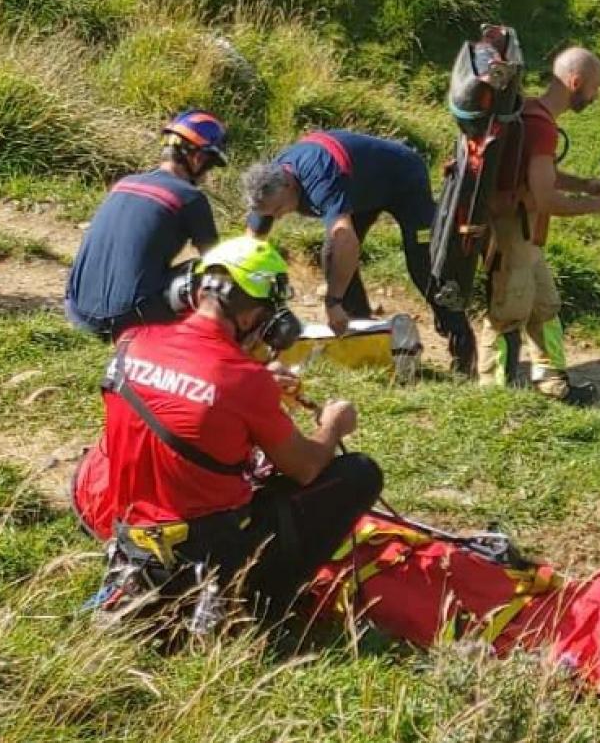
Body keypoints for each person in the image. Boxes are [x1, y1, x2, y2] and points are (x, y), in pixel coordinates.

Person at [95, 236, 384, 624]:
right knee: (359, 473)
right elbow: (305, 467)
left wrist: (253, 381)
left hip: (131, 546)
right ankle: (264, 608)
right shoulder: (246, 382)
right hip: (205, 558)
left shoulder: (131, 342)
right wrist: (333, 426)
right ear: (249, 319)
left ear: (192, 293)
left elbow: (187, 392)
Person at [239, 130, 478, 376]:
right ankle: (363, 333)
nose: (277, 217)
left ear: (290, 185)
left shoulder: (319, 178)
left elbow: (344, 239)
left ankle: (462, 343)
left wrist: (333, 302)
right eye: (270, 213)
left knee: (423, 266)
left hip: (404, 178)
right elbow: (248, 249)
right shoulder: (268, 188)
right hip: (360, 189)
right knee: (332, 258)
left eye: (279, 208)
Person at [477, 47, 600, 403]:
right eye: (595, 87)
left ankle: (553, 384)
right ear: (576, 82)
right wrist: (597, 205)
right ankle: (495, 398)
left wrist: (585, 185)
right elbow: (543, 199)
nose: (596, 96)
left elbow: (540, 175)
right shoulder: (541, 127)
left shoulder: (530, 113)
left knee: (545, 306)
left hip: (524, 233)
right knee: (507, 311)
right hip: (512, 231)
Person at [65, 110, 228, 341]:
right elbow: (217, 261)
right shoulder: (191, 198)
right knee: (207, 273)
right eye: (210, 166)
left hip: (76, 314)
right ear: (198, 158)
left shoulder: (123, 183)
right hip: (126, 322)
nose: (206, 175)